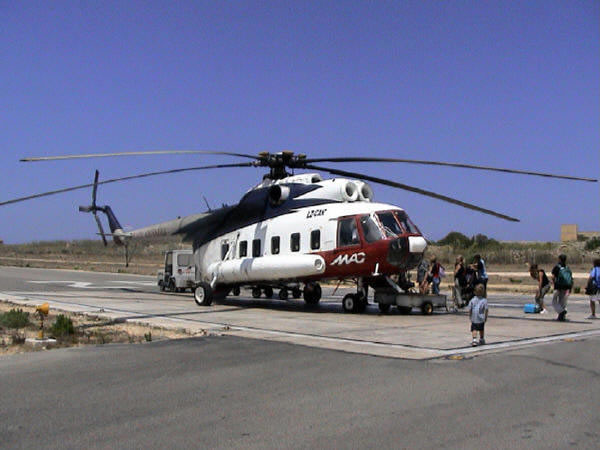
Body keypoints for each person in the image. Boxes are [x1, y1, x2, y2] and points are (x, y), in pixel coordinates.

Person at [551, 254, 573, 321]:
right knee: (562, 302)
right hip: (566, 287)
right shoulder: (567, 268)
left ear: (559, 259)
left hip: (558, 286)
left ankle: (561, 312)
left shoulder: (557, 267)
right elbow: (571, 278)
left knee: (554, 301)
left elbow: (553, 277)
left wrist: (553, 282)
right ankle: (561, 317)